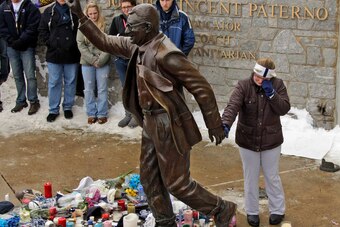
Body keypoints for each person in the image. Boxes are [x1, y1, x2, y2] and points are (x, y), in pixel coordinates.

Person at [66, 1, 237, 226]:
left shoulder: (167, 54)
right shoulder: (137, 44)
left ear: (147, 28)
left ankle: (221, 208)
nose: (126, 30)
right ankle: (164, 220)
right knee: (149, 179)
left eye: (132, 26)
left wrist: (213, 124)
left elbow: (201, 87)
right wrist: (81, 17)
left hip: (168, 123)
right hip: (149, 121)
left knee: (177, 184)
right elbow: (105, 41)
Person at [221, 58, 290, 227]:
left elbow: (284, 108)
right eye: (256, 75)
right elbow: (232, 106)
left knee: (271, 176)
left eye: (262, 77)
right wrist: (225, 124)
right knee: (250, 177)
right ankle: (252, 212)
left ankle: (277, 210)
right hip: (247, 139)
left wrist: (272, 94)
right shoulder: (244, 85)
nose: (257, 79)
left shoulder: (278, 85)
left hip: (271, 140)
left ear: (270, 78)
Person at [39, 0, 80, 122]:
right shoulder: (48, 11)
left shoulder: (74, 11)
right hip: (54, 53)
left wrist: (73, 44)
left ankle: (68, 107)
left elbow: (80, 30)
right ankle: (53, 110)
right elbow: (42, 30)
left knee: (71, 81)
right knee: (54, 82)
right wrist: (51, 42)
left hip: (71, 53)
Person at [0, 0, 41, 115]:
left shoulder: (30, 6)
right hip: (11, 47)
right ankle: (21, 100)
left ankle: (33, 101)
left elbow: (33, 27)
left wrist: (21, 40)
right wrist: (11, 41)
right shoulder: (4, 7)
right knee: (17, 75)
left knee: (30, 75)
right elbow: (2, 27)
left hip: (26, 46)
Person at [77, 2, 110, 124]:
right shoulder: (82, 26)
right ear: (87, 14)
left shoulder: (104, 25)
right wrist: (92, 60)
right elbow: (80, 44)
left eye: (95, 13)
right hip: (87, 62)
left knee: (102, 88)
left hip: (102, 61)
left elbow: (108, 43)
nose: (93, 16)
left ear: (98, 12)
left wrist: (100, 60)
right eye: (90, 14)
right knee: (89, 88)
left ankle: (102, 113)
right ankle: (91, 113)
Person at [109, 0, 138, 128]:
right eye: (124, 7)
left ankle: (137, 116)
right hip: (121, 61)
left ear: (134, 7)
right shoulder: (117, 20)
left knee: (136, 87)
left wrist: (124, 36)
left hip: (135, 60)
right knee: (125, 88)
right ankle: (128, 114)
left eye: (128, 7)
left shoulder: (139, 20)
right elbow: (111, 39)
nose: (126, 9)